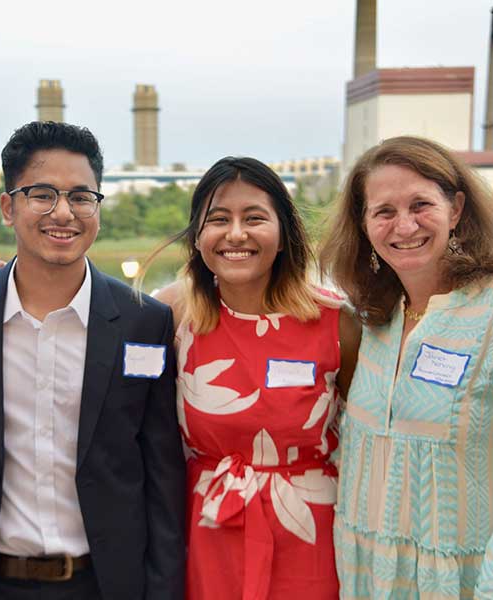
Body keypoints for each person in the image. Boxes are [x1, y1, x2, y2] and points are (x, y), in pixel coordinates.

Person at [0, 121, 186, 600]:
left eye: (81, 196)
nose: (63, 212)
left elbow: (162, 476)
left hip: (105, 583)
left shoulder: (144, 322)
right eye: (42, 194)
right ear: (8, 207)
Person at [150, 156, 361, 599]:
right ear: (197, 236)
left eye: (254, 218)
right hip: (208, 531)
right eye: (218, 219)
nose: (236, 234)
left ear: (283, 233)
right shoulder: (171, 315)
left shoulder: (337, 323)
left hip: (312, 533)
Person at [319, 135, 493, 599]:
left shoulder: (488, 315)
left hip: (460, 583)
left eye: (421, 204)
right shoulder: (370, 320)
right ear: (364, 223)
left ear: (455, 209)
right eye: (384, 211)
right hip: (364, 577)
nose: (405, 225)